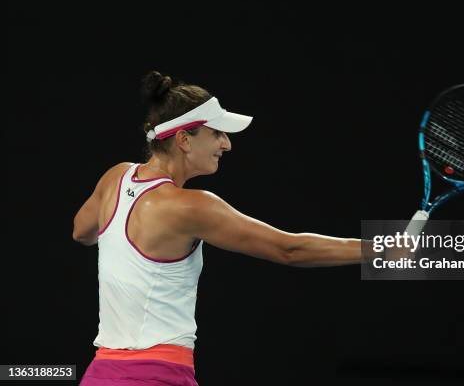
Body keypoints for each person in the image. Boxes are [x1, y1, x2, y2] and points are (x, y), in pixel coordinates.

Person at [73, 71, 362, 385]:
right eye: (217, 134)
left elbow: (81, 232)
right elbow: (288, 248)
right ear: (184, 139)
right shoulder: (192, 207)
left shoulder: (116, 177)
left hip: (101, 375)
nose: (227, 144)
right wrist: (385, 250)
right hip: (158, 377)